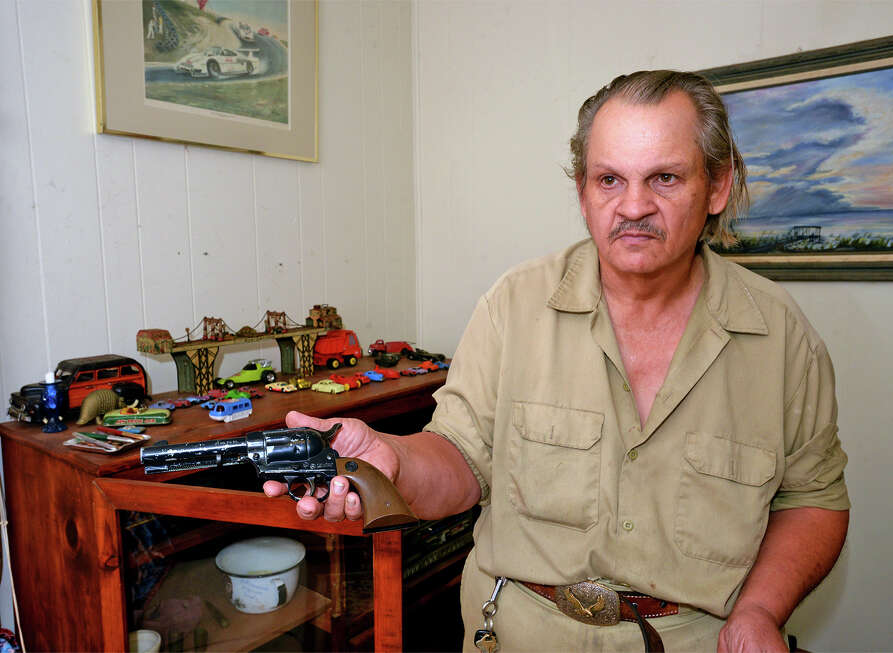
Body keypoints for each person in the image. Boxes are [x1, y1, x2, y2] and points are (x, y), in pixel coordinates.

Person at [264, 70, 849, 652]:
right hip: (517, 633)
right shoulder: (512, 305)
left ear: (717, 187)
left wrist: (759, 612)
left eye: (665, 178)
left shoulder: (782, 338)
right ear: (582, 192)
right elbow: (461, 459)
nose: (634, 206)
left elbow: (813, 501)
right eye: (609, 179)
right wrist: (392, 457)